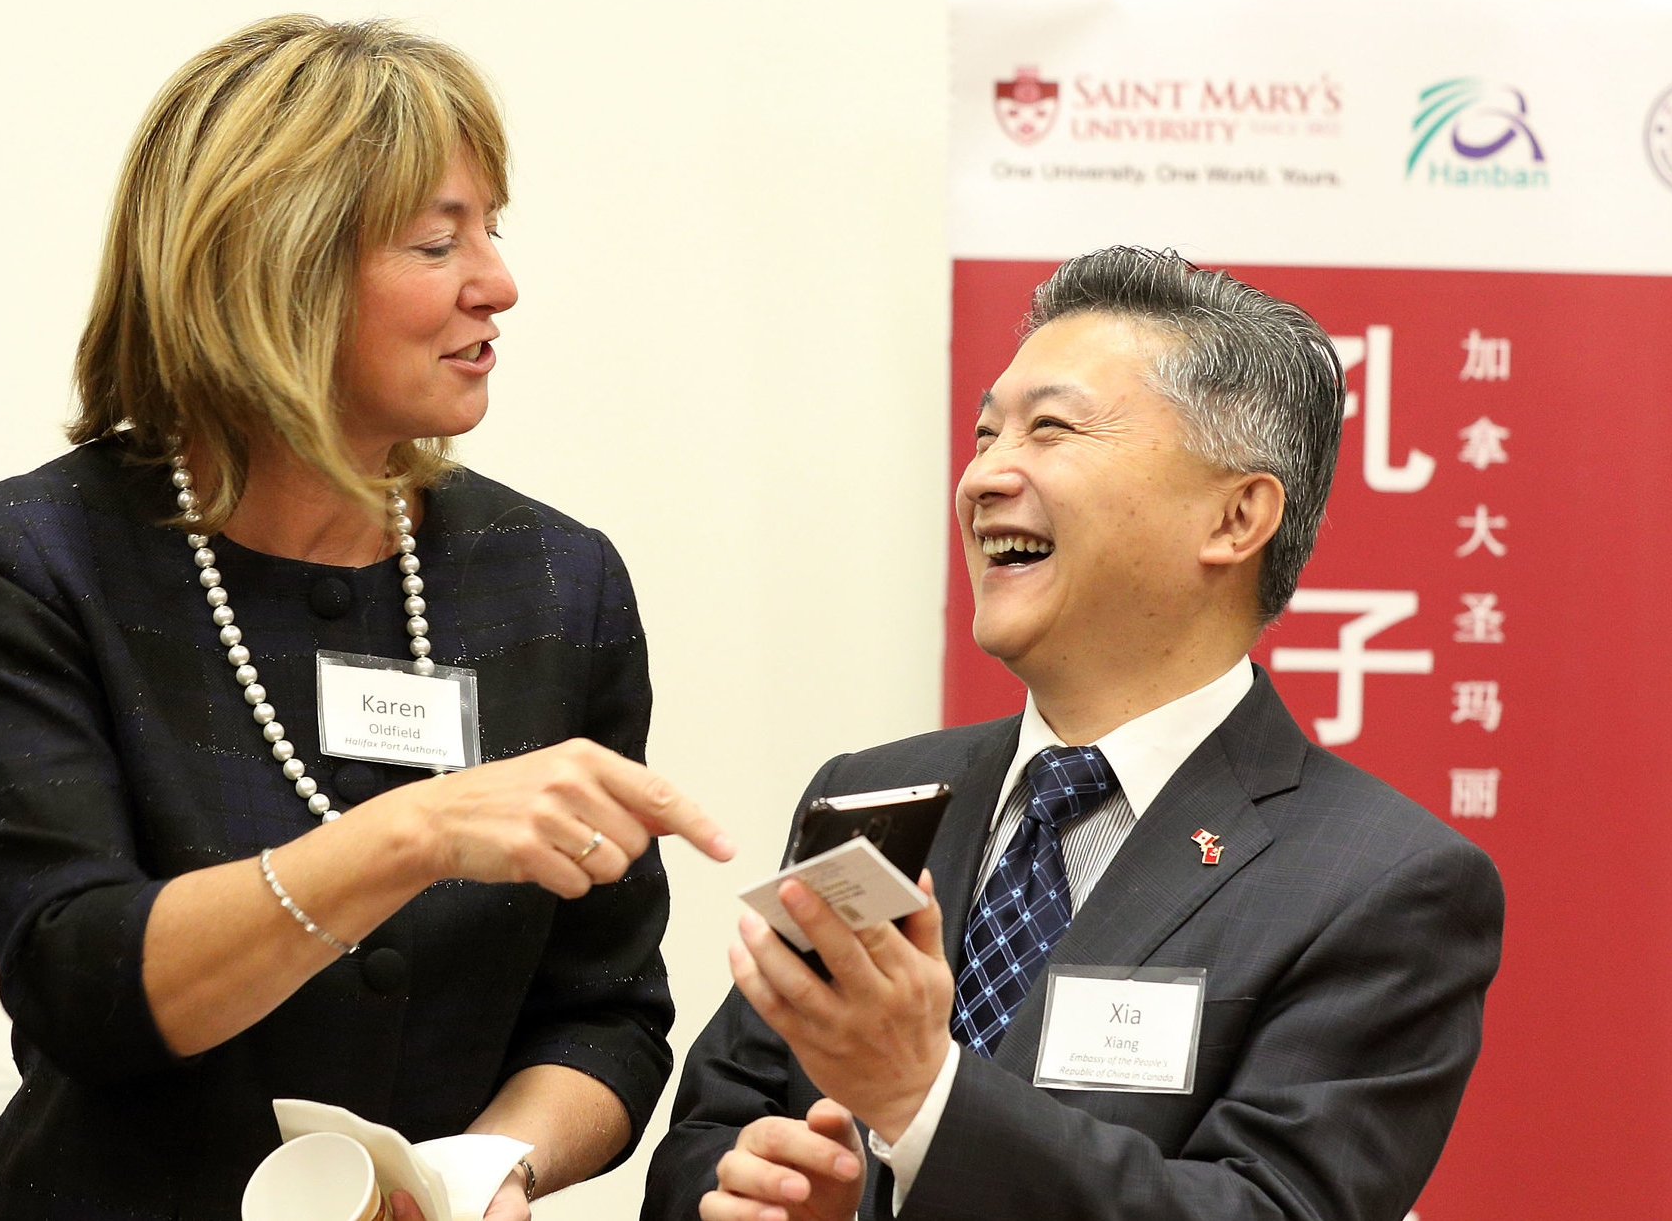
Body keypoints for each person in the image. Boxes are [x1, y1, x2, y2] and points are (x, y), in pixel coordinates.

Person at [0, 15, 732, 1221]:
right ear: (276, 267)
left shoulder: (557, 580)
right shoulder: (38, 559)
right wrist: (416, 834)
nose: (498, 284)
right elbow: (82, 983)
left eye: (491, 230)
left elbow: (606, 1013)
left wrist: (489, 1166)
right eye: (434, 241)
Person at [643, 247, 1504, 1221]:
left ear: (1235, 515)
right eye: (983, 433)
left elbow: (1267, 1209)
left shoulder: (1384, 884)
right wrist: (759, 1195)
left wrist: (924, 1102)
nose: (982, 478)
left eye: (1049, 429)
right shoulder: (875, 796)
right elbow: (705, 1143)